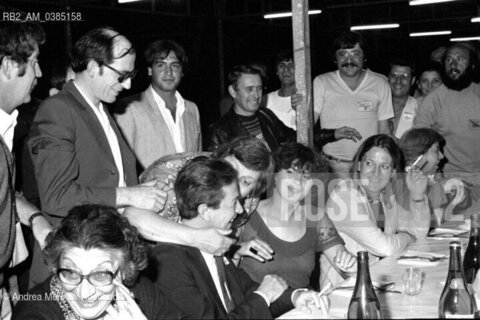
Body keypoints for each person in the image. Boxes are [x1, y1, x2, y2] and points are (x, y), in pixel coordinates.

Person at [26, 27, 166, 287]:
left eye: (131, 74)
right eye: (122, 75)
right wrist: (128, 194)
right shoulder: (58, 110)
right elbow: (57, 197)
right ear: (92, 67)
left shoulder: (101, 110)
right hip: (71, 271)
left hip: (105, 262)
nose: (128, 84)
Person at [148, 157, 328, 319]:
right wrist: (264, 296)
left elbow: (248, 290)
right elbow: (256, 299)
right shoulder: (169, 261)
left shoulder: (214, 245)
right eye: (234, 203)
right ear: (205, 211)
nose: (241, 210)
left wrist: (296, 297)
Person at [13, 204, 183, 320]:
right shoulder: (34, 311)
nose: (84, 293)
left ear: (125, 271)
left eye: (101, 274)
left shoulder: (141, 293)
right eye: (71, 273)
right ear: (56, 267)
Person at [235, 143, 356, 290]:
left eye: (306, 176)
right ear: (275, 174)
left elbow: (346, 270)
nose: (298, 181)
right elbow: (218, 270)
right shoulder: (247, 211)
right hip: (256, 308)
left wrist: (351, 264)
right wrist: (237, 249)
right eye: (291, 172)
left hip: (302, 307)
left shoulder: (316, 218)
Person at [122, 136, 273, 255]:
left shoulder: (248, 201)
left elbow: (217, 239)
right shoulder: (170, 176)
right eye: (230, 169)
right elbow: (130, 217)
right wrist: (197, 238)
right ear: (220, 157)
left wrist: (234, 248)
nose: (234, 183)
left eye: (245, 182)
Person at [0, 22, 52, 318]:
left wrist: (35, 219)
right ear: (9, 66)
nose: (39, 74)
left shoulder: (7, 127)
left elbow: (6, 192)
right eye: (34, 63)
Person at [326, 134, 430, 264]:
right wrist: (407, 237)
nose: (376, 173)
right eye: (369, 163)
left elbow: (418, 233)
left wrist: (417, 195)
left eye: (385, 166)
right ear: (359, 165)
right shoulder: (345, 196)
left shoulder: (384, 197)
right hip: (348, 281)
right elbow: (384, 247)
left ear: (392, 172)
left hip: (380, 276)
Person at [312, 31, 393, 178]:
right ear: (335, 58)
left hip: (367, 168)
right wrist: (299, 108)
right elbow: (308, 125)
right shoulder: (321, 82)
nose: (349, 60)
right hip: (331, 167)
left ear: (364, 57)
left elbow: (384, 132)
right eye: (342, 54)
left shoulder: (381, 84)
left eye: (355, 53)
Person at [115, 39, 202, 170]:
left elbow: (198, 159)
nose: (169, 72)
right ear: (150, 70)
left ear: (182, 72)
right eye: (161, 65)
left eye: (175, 65)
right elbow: (121, 162)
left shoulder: (191, 109)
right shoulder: (129, 108)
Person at [415, 43, 480, 176]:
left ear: (472, 65)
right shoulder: (432, 101)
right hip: (448, 178)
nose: (453, 64)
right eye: (449, 60)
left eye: (460, 59)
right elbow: (419, 146)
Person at [207, 64, 295, 152]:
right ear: (233, 92)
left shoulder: (266, 115)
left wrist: (301, 109)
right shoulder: (220, 132)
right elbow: (215, 164)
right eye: (250, 89)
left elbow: (293, 139)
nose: (256, 95)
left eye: (259, 89)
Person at [387, 58, 417, 138]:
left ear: (413, 80)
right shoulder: (376, 105)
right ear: (388, 78)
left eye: (404, 76)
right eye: (394, 76)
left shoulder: (419, 109)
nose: (398, 81)